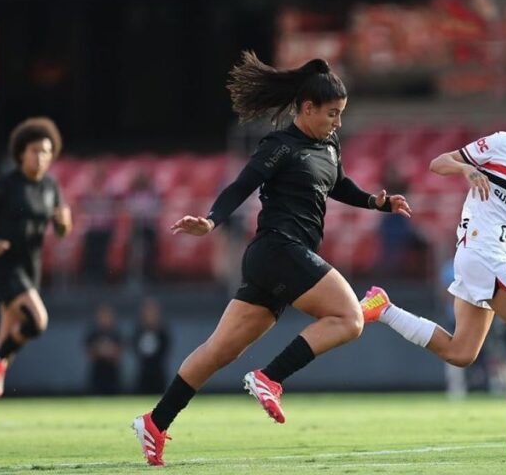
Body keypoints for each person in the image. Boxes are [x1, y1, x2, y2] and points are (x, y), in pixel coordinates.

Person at [131, 52, 411, 467]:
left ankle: (155, 422)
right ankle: (270, 378)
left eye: (341, 114)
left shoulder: (328, 144)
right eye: (331, 114)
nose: (337, 122)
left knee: (219, 350)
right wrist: (211, 221)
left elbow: (337, 184)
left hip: (277, 261)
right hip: (279, 249)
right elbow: (241, 185)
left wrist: (376, 202)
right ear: (307, 108)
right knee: (349, 318)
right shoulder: (280, 146)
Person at [362, 80, 506, 456]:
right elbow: (437, 162)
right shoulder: (501, 144)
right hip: (481, 253)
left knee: (462, 352)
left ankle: (385, 309)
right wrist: (467, 170)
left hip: (488, 258)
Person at [0, 118, 72, 400]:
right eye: (35, 150)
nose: (41, 156)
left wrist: (63, 223)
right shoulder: (7, 184)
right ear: (21, 152)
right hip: (4, 264)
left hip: (30, 267)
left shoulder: (51, 187)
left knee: (11, 336)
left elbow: (62, 231)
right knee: (38, 321)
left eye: (46, 151)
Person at [133, 297, 171, 394]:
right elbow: (135, 349)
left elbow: (165, 350)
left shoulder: (162, 332)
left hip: (158, 374)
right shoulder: (139, 331)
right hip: (143, 373)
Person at [85, 303, 122, 395]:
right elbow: (90, 353)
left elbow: (118, 354)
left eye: (107, 316)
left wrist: (101, 350)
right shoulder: (93, 334)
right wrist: (106, 351)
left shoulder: (116, 334)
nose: (105, 319)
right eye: (102, 316)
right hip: (97, 375)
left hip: (112, 376)